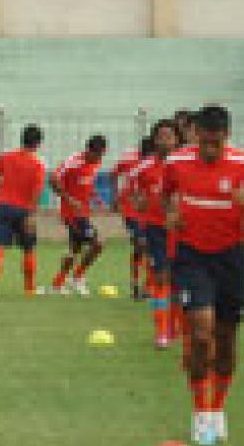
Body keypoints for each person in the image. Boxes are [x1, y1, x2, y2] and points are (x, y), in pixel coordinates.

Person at [162, 104, 244, 446]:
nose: (209, 150)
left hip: (230, 259)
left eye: (216, 143)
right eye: (204, 142)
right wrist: (171, 213)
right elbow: (166, 197)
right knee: (201, 334)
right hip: (192, 256)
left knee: (227, 339)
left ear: (227, 137)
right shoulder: (176, 163)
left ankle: (218, 408)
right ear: (195, 135)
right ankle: (200, 413)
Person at [128, 121, 179, 349]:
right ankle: (162, 331)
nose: (165, 141)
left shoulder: (185, 164)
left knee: (178, 280)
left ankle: (174, 327)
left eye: (170, 136)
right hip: (156, 228)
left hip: (181, 230)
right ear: (155, 140)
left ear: (176, 140)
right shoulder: (143, 168)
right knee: (161, 277)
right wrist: (139, 203)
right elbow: (132, 191)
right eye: (161, 136)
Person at [0, 123, 46, 299]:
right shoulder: (38, 165)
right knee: (28, 249)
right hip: (24, 210)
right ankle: (29, 289)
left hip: (4, 206)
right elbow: (37, 192)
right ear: (38, 144)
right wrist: (32, 214)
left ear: (22, 139)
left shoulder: (6, 157)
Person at [48, 135, 107, 295]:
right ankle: (77, 277)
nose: (99, 159)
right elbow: (52, 179)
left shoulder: (96, 163)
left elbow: (86, 183)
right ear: (89, 151)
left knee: (74, 249)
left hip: (83, 213)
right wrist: (69, 199)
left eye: (102, 155)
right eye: (97, 155)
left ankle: (58, 283)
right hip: (72, 214)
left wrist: (95, 196)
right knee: (98, 243)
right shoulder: (73, 162)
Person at [113, 137, 151, 300]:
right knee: (140, 244)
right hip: (131, 210)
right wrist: (115, 196)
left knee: (150, 247)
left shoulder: (160, 163)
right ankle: (136, 286)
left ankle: (148, 287)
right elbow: (114, 174)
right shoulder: (129, 159)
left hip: (150, 212)